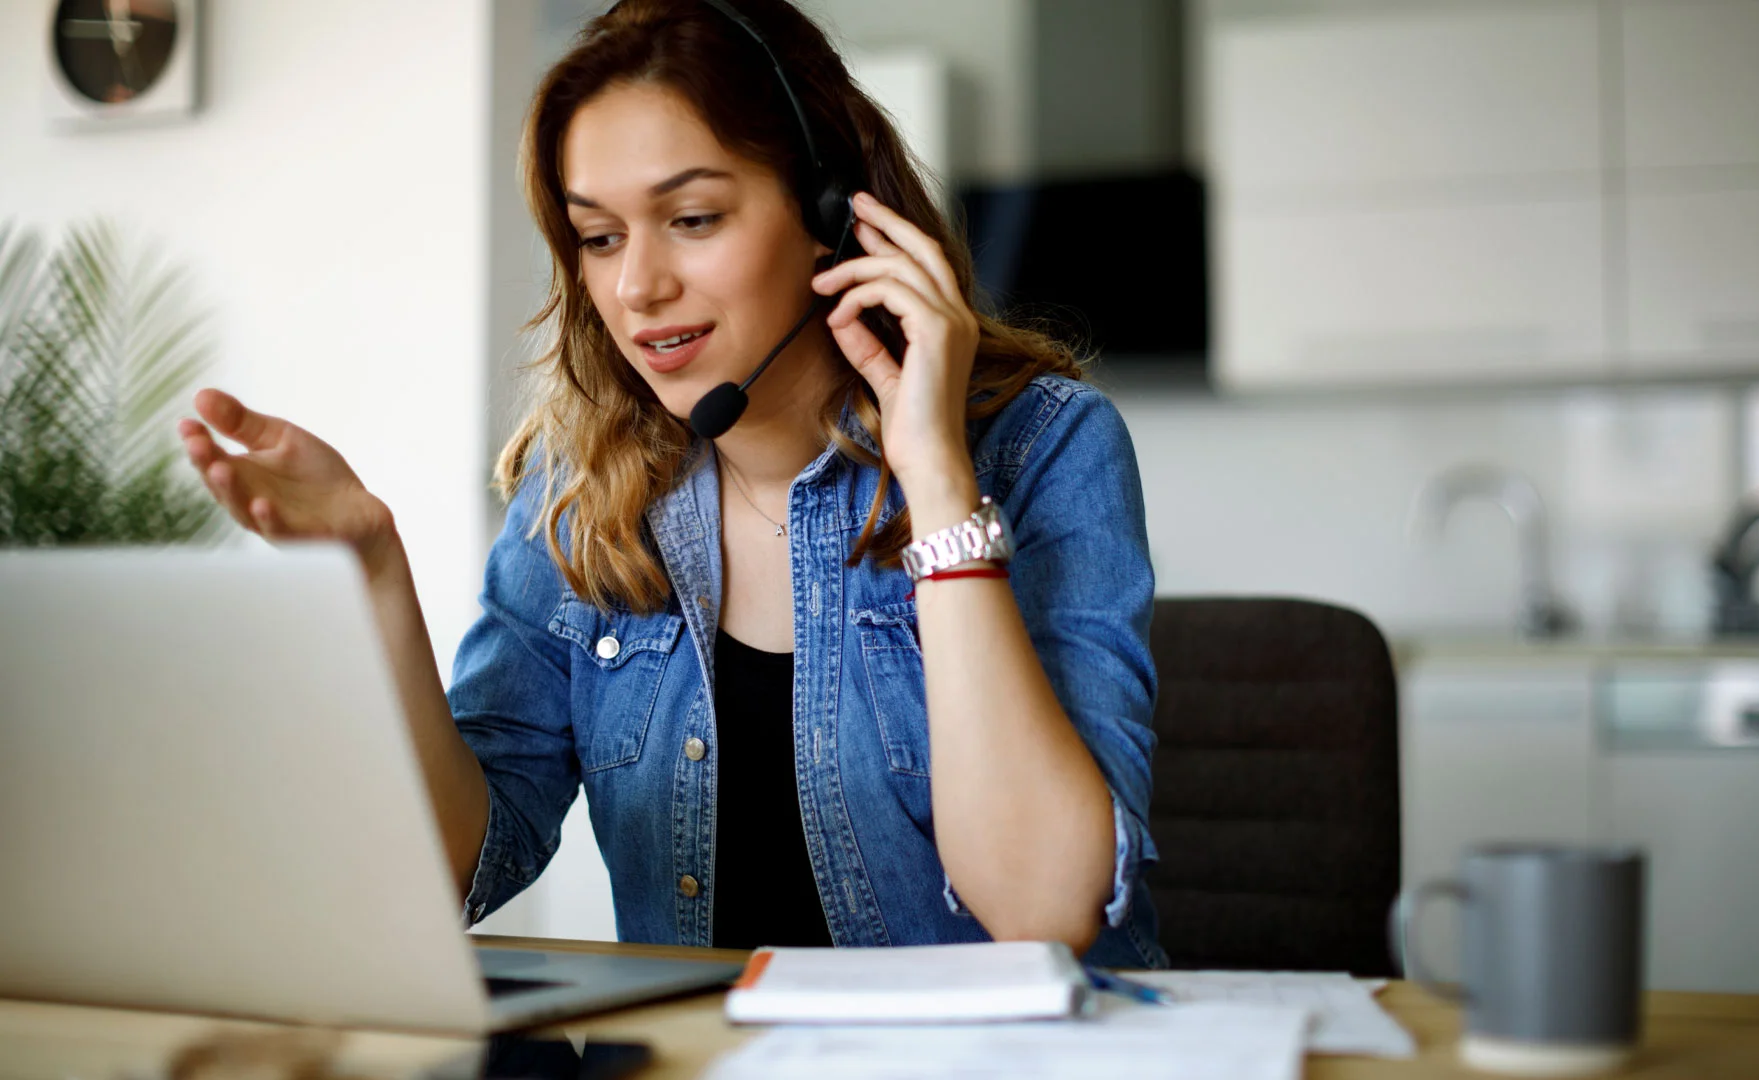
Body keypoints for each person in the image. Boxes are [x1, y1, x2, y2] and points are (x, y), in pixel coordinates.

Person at [176, 0, 1164, 968]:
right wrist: (371, 571)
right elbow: (455, 870)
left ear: (833, 212)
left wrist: (938, 482)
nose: (637, 286)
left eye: (691, 217)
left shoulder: (1045, 449)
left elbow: (1045, 912)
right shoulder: (581, 490)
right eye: (599, 237)